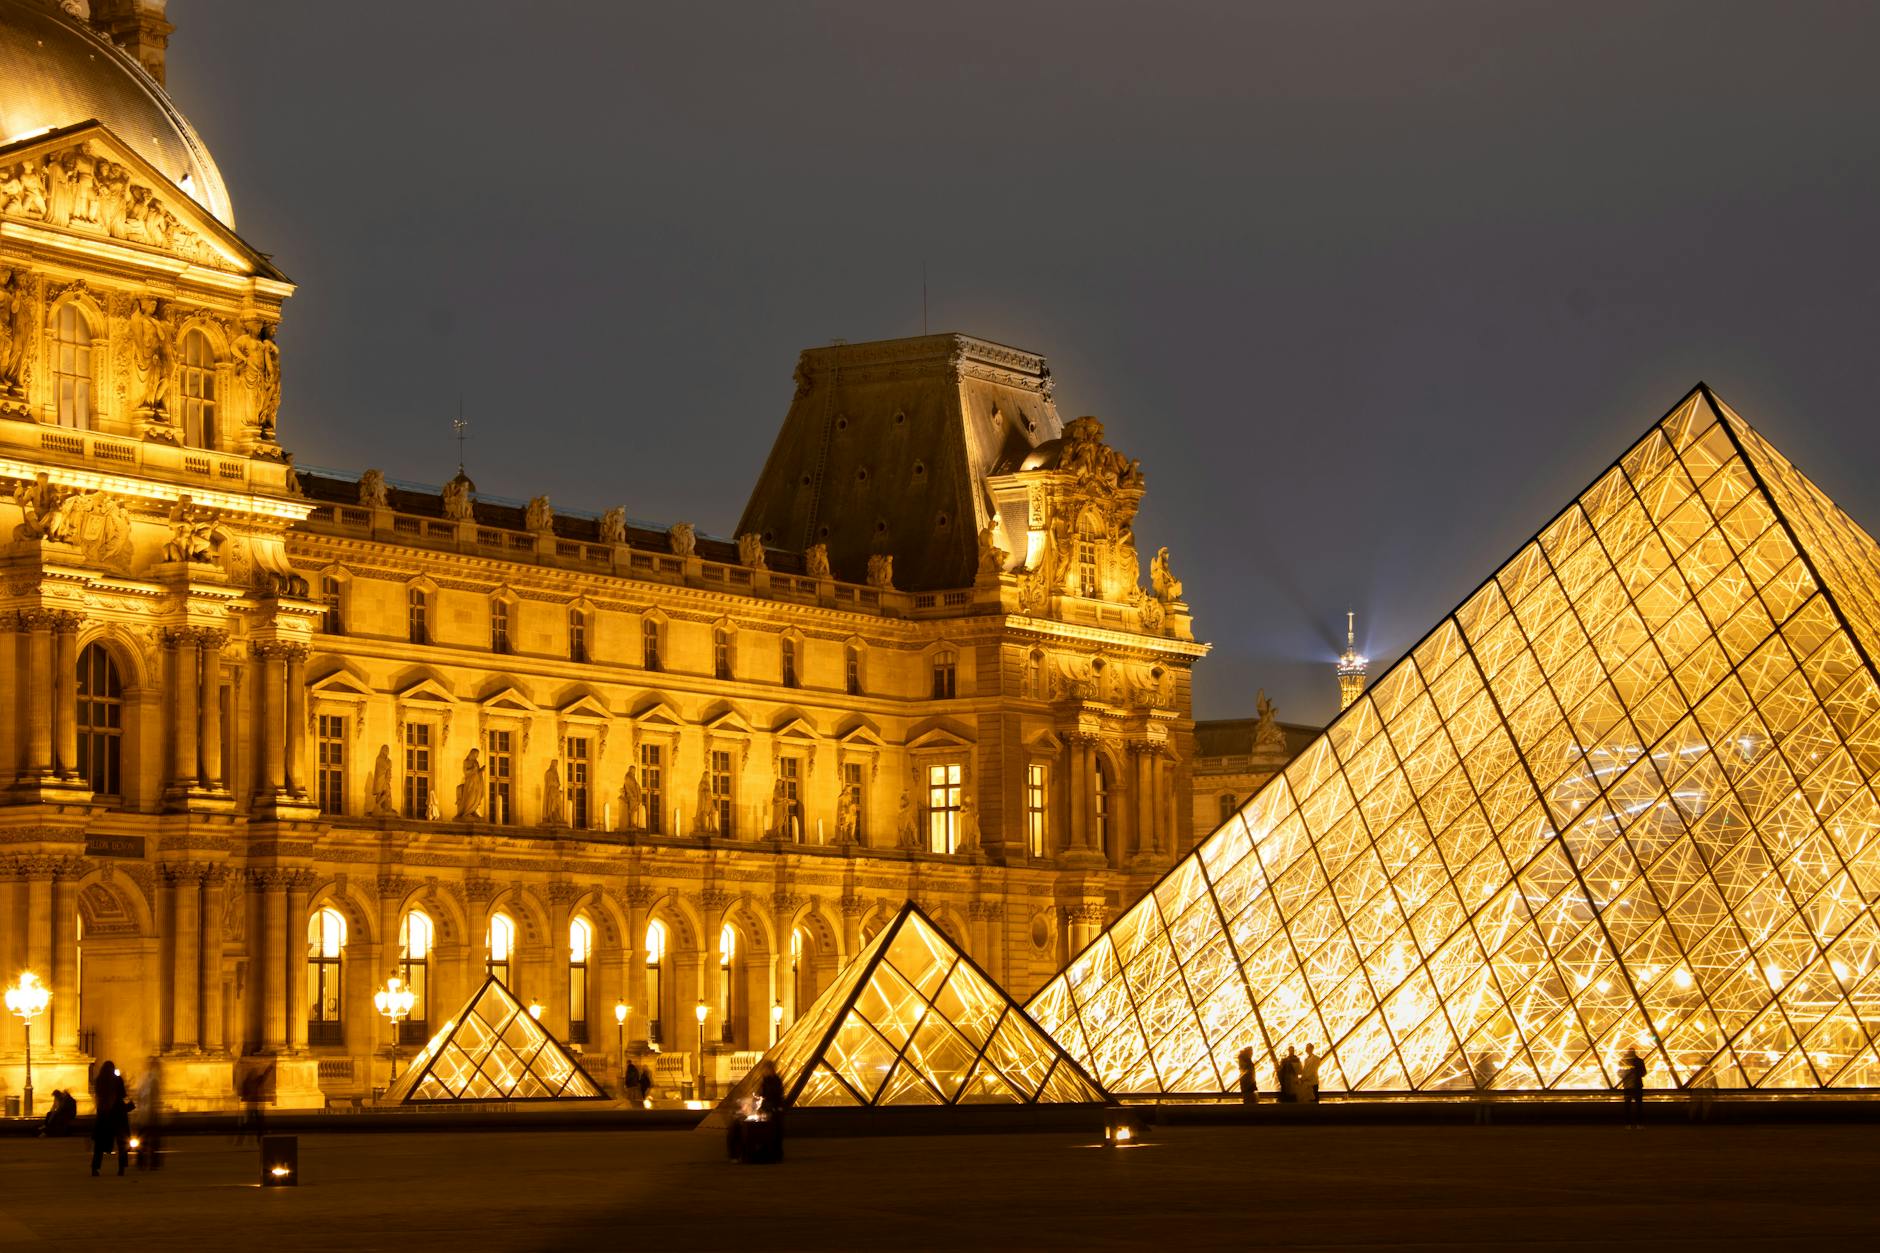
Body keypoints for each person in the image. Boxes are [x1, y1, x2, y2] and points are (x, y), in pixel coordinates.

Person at [90, 1060, 131, 1176]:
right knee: (121, 1143)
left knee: (99, 1144)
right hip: (117, 1114)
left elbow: (97, 1096)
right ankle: (121, 1168)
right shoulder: (117, 1080)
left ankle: (95, 1168)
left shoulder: (99, 1080)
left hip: (103, 1115)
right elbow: (123, 1095)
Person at [135, 1062, 163, 1170]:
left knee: (142, 1139)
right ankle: (153, 1162)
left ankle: (141, 1161)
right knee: (153, 1141)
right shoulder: (153, 1080)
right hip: (150, 1115)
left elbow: (140, 1096)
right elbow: (153, 1098)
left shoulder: (143, 1079)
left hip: (143, 1114)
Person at [1619, 1047, 1647, 1128]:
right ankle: (1639, 1124)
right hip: (1637, 1086)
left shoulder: (1623, 1061)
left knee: (1628, 1107)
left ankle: (1628, 1124)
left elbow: (1619, 1072)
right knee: (1638, 1106)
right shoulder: (1639, 1061)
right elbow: (1644, 1073)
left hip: (1628, 1086)